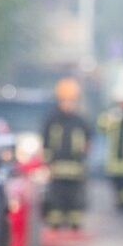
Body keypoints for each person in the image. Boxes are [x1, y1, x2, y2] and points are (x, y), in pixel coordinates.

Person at [42, 77, 92, 229]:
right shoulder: (52, 121)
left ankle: (74, 224)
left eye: (71, 101)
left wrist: (84, 161)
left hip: (76, 171)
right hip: (56, 171)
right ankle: (55, 224)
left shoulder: (80, 121)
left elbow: (88, 143)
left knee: (75, 201)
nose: (68, 104)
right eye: (64, 100)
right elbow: (46, 144)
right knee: (56, 200)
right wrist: (47, 165)